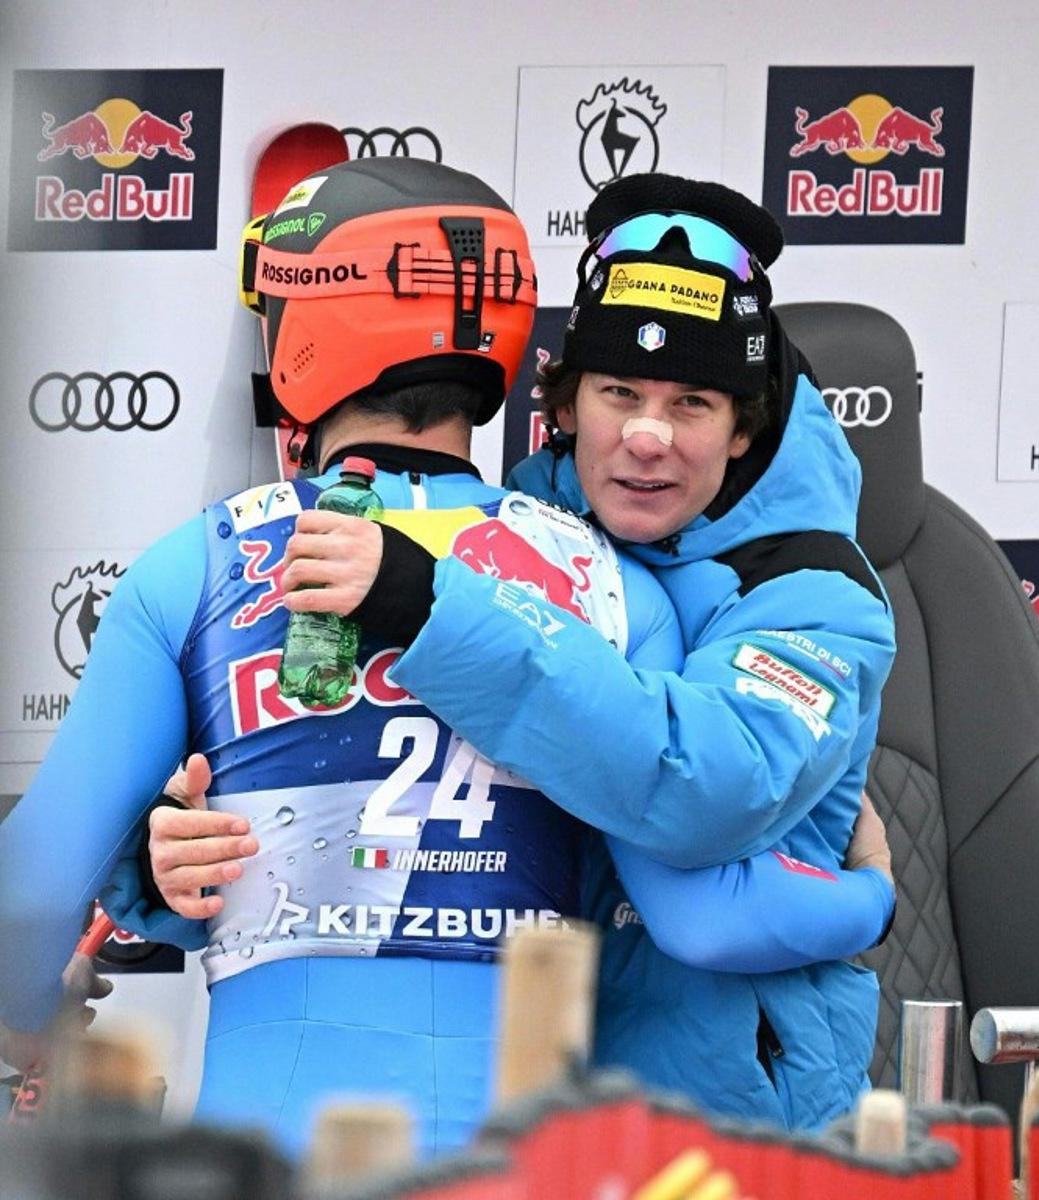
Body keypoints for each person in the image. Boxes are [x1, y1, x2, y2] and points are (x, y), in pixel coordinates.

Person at [0, 158, 892, 1153]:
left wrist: (26, 1015)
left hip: (264, 1143)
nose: (647, 433)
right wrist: (866, 899)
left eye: (691, 403)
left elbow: (31, 894)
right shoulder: (612, 577)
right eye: (622, 391)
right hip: (522, 1149)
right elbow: (689, 895)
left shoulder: (193, 565)